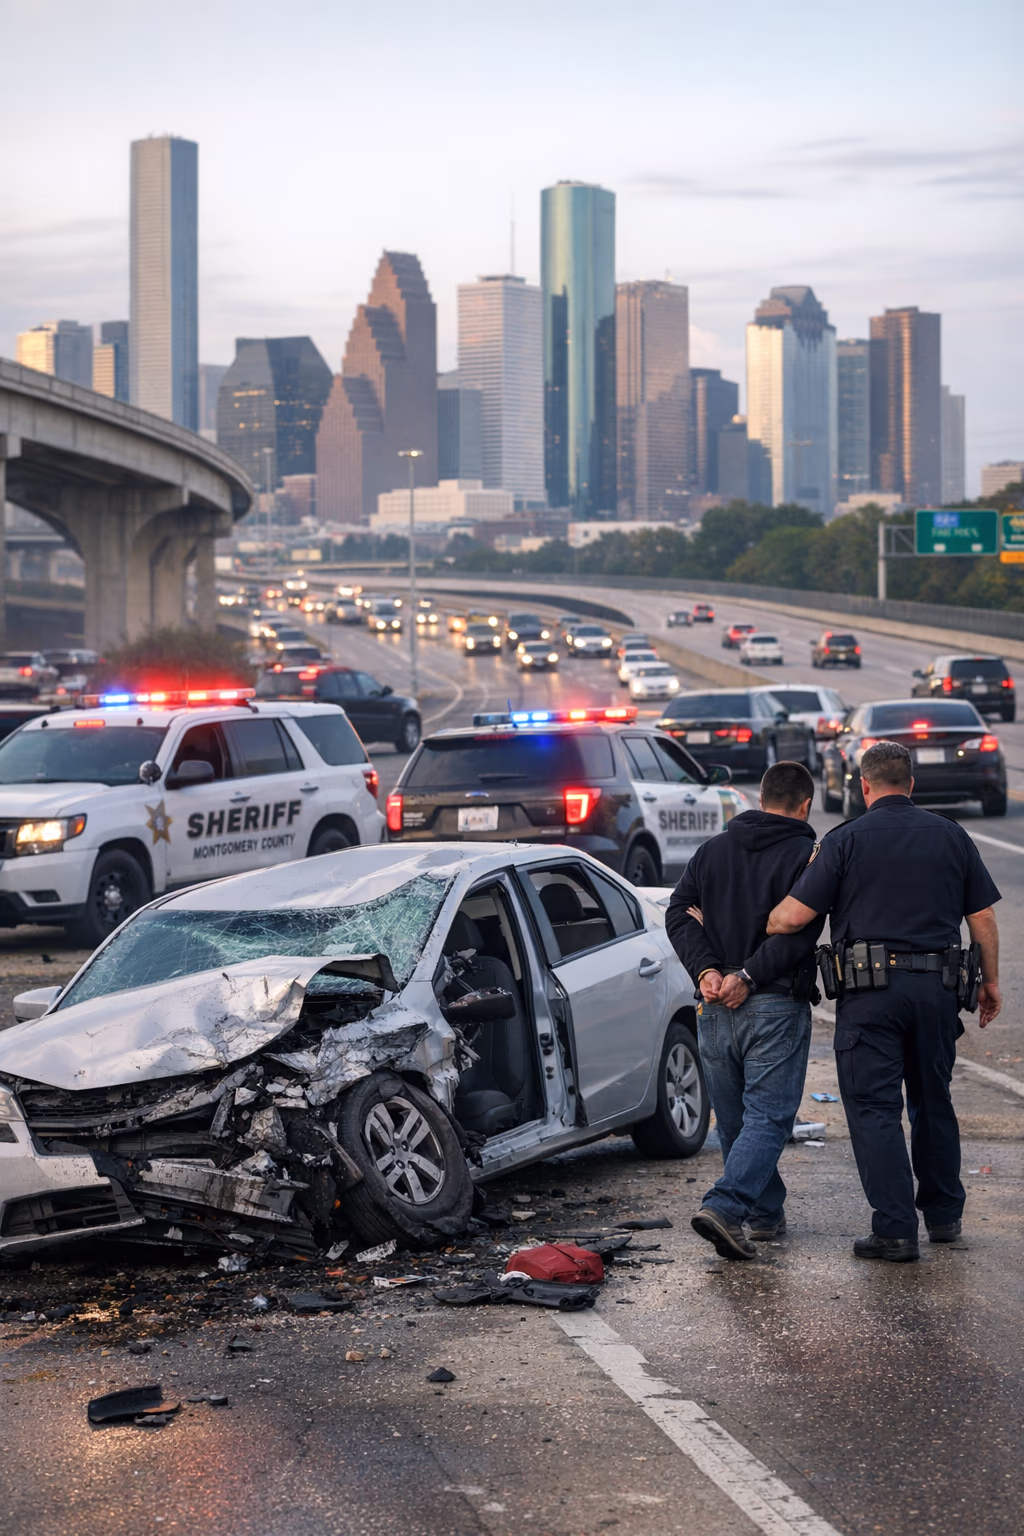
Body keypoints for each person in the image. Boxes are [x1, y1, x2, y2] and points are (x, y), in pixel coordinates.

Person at [767, 740, 1001, 1262]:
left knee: (875, 1108)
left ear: (865, 786)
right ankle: (943, 1218)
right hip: (938, 992)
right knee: (932, 1101)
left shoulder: (845, 839)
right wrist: (990, 983)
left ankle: (895, 1230)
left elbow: (793, 919)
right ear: (911, 784)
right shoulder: (952, 835)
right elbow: (981, 918)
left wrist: (768, 917)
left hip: (871, 997)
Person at [665, 761, 823, 1260]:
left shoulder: (713, 850)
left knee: (735, 1121)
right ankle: (727, 1206)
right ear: (806, 804)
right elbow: (801, 935)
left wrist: (706, 970)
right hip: (771, 1000)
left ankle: (763, 1214)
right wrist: (746, 976)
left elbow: (677, 912)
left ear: (760, 796)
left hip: (713, 1005)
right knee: (769, 1118)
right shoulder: (807, 856)